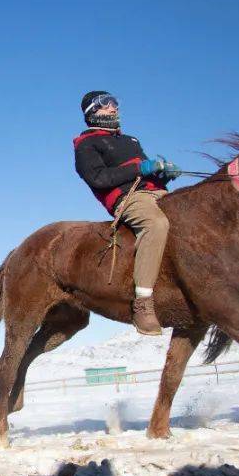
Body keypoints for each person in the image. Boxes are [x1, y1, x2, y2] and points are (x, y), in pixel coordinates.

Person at [73, 91, 180, 336]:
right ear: (91, 113)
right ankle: (142, 302)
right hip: (129, 198)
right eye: (105, 104)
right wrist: (139, 167)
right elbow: (98, 178)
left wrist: (163, 173)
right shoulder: (86, 144)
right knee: (155, 224)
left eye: (114, 102)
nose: (113, 108)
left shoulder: (131, 140)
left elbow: (145, 174)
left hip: (158, 193)